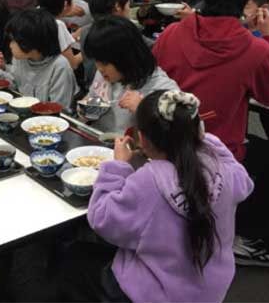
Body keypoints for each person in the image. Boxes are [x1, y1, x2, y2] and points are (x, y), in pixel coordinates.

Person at [152, 0, 269, 266]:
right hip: (218, 155)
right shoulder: (254, 48)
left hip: (166, 145)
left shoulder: (172, 34)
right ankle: (241, 236)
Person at [60, 90, 253, 302]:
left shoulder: (149, 181)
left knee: (71, 257)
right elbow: (244, 181)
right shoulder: (222, 167)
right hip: (210, 290)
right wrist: (206, 141)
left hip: (155, 293)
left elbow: (102, 219)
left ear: (141, 138)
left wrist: (117, 166)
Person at [81, 16, 179, 133]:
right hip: (99, 145)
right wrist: (85, 109)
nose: (99, 68)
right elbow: (90, 100)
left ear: (126, 58)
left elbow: (185, 135)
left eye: (105, 63)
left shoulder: (162, 88)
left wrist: (142, 110)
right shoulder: (104, 74)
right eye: (96, 61)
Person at [0, 9, 77, 108]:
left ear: (29, 43)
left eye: (13, 41)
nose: (10, 45)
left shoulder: (59, 67)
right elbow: (15, 84)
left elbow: (59, 108)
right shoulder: (22, 58)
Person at [79, 0, 133, 88]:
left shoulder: (85, 31)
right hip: (113, 90)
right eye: (128, 4)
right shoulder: (121, 34)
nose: (129, 8)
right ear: (118, 6)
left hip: (91, 88)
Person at [35, 0, 82, 70]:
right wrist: (87, 50)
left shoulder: (33, 16)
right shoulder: (57, 26)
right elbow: (72, 64)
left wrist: (73, 36)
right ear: (65, 3)